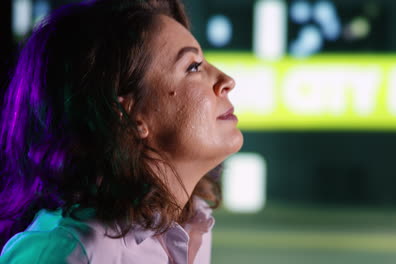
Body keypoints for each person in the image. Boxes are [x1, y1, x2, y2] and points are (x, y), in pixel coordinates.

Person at [0, 0, 243, 263]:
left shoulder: (194, 222)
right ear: (127, 113)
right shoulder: (72, 252)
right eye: (193, 66)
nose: (227, 81)